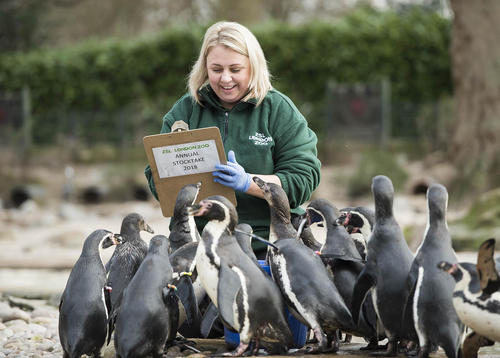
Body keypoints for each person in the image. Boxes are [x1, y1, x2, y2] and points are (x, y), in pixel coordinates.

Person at [144, 21, 321, 258]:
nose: (225, 79)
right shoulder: (184, 112)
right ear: (205, 68)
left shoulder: (278, 109)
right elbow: (156, 178)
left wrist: (249, 182)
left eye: (235, 70)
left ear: (253, 67)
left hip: (268, 244)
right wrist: (181, 193)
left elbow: (304, 179)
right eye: (216, 70)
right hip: (201, 245)